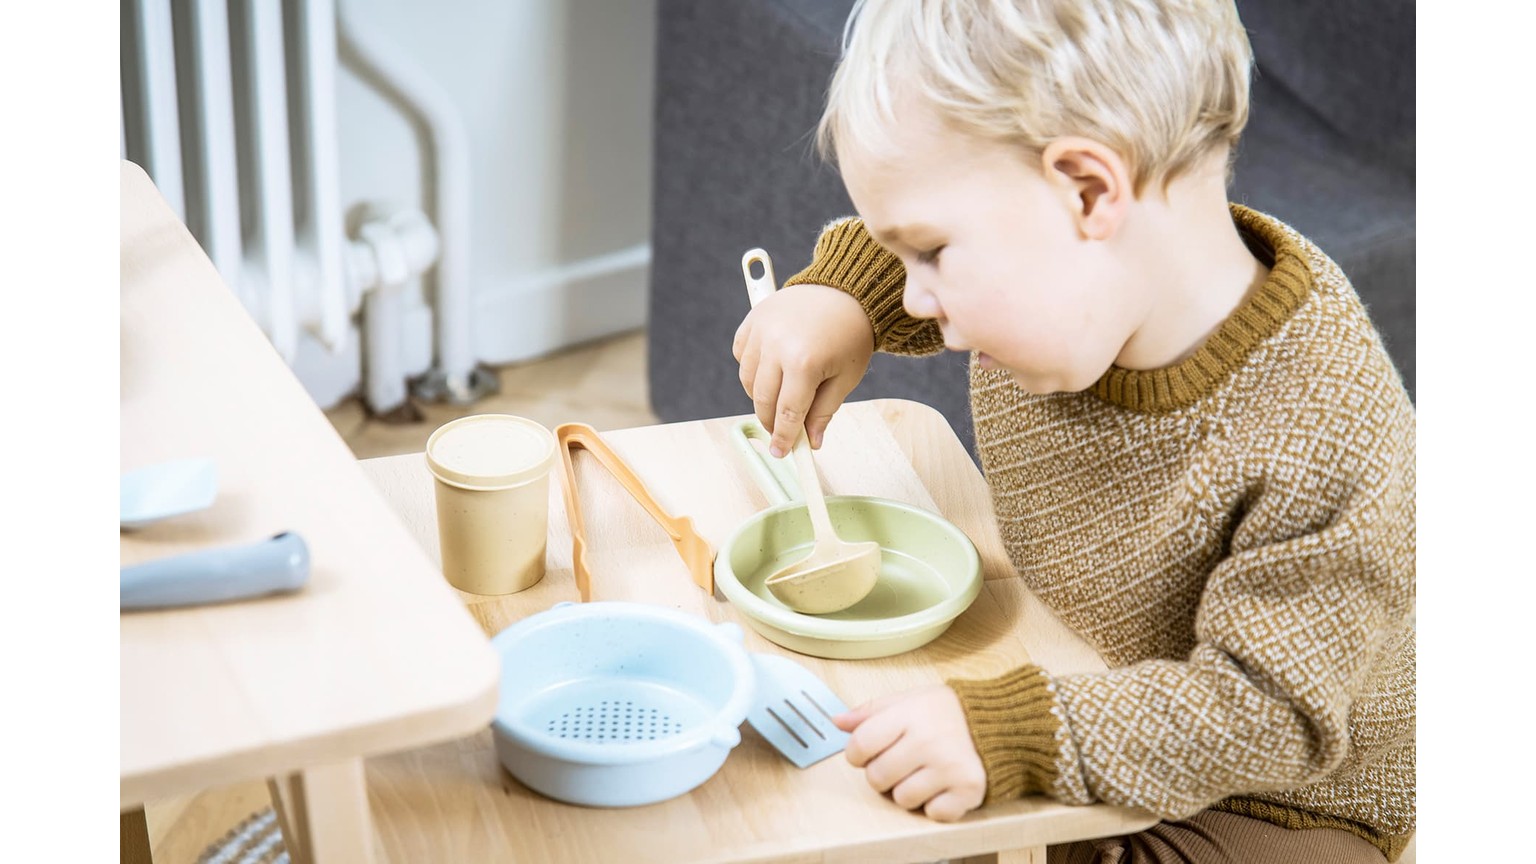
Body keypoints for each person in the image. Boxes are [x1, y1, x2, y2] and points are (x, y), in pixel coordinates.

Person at [730, 0, 1415, 861]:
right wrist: (843, 296)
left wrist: (1017, 733)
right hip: (1076, 664)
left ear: (1090, 191)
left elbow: (1269, 715)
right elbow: (924, 230)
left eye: (930, 254)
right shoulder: (1085, 290)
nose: (913, 296)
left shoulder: (1324, 433)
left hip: (1274, 796)